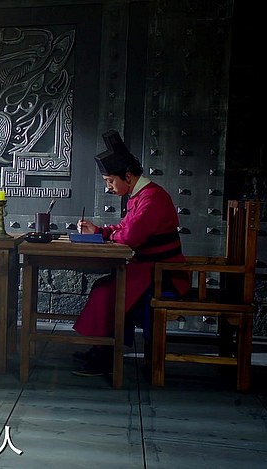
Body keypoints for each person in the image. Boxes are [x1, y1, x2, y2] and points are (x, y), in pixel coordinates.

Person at [72, 130, 190, 376]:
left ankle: (105, 356)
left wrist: (107, 234)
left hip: (163, 274)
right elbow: (125, 228)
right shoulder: (142, 195)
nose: (109, 187)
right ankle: (103, 349)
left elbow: (129, 236)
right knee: (104, 286)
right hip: (148, 269)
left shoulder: (152, 198)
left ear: (127, 176)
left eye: (110, 181)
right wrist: (99, 231)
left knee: (108, 291)